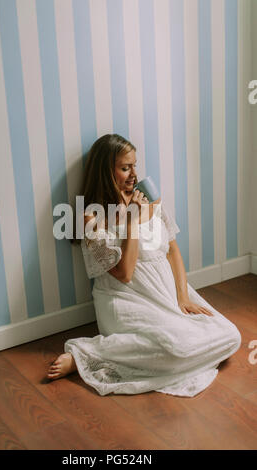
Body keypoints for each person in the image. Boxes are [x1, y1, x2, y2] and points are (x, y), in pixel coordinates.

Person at [47, 134, 241, 397]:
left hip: (166, 293)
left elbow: (172, 250)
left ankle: (165, 348)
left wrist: (182, 297)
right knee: (176, 348)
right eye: (125, 168)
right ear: (106, 171)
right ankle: (87, 354)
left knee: (231, 335)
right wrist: (131, 222)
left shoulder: (151, 199)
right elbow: (124, 275)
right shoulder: (90, 217)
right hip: (125, 300)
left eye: (134, 166)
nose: (134, 175)